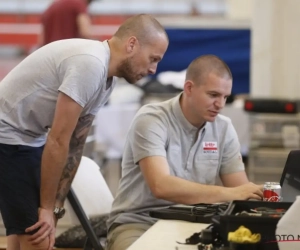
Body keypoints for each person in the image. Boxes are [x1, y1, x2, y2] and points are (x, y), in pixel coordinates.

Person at [0, 14, 168, 250]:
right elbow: (58, 140)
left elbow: (75, 146)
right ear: (132, 44)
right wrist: (46, 209)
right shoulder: (91, 63)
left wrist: (55, 208)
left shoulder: (106, 80)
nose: (153, 69)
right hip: (8, 136)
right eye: (153, 59)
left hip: (27, 137)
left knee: (24, 236)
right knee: (39, 238)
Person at [106, 55, 263, 250]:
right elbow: (161, 186)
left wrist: (265, 195)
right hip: (139, 221)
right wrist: (232, 193)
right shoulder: (152, 119)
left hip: (194, 221)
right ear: (189, 88)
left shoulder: (224, 128)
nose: (220, 105)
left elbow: (242, 192)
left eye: (225, 97)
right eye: (213, 95)